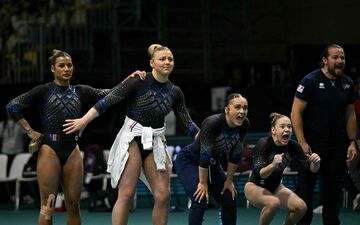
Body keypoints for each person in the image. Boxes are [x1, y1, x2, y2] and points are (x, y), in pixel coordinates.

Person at [63, 44, 200, 225]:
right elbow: (106, 102)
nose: (167, 62)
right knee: (126, 194)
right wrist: (83, 121)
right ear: (152, 62)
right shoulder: (138, 81)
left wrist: (204, 138)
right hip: (132, 139)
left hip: (154, 142)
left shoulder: (175, 92)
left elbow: (187, 123)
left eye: (170, 59)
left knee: (163, 195)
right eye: (162, 59)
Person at [5, 49, 144, 225]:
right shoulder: (43, 91)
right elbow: (12, 106)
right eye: (61, 66)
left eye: (69, 65)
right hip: (50, 149)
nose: (66, 69)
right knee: (47, 206)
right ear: (53, 69)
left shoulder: (81, 91)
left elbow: (111, 93)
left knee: (74, 205)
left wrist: (131, 78)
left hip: (72, 150)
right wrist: (30, 131)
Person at [291, 43, 358, 225]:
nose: (340, 61)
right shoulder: (310, 81)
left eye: (342, 57)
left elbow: (350, 114)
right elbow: (295, 112)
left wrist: (352, 142)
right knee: (305, 190)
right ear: (324, 60)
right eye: (335, 57)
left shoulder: (347, 84)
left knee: (332, 191)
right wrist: (302, 142)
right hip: (311, 145)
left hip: (337, 145)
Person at [174, 93, 249, 225]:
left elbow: (236, 153)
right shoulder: (212, 122)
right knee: (200, 199)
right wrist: (203, 183)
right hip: (189, 160)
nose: (242, 111)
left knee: (229, 197)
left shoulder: (244, 124)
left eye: (245, 108)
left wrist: (229, 181)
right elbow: (205, 155)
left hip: (211, 163)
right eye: (237, 107)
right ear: (227, 109)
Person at [244, 113, 321, 225]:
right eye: (282, 126)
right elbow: (260, 174)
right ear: (273, 130)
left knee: (301, 207)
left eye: (289, 126)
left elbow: (311, 169)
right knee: (273, 203)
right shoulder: (264, 143)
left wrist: (316, 163)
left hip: (275, 186)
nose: (287, 129)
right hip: (255, 186)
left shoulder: (293, 146)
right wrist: (273, 165)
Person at [0, 110, 27, 175]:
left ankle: (17, 185)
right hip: (5, 152)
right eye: (8, 112)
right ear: (6, 113)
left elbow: (25, 136)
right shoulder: (2, 125)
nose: (9, 114)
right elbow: (0, 138)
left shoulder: (20, 124)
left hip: (18, 151)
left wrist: (22, 145)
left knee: (18, 173)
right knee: (5, 173)